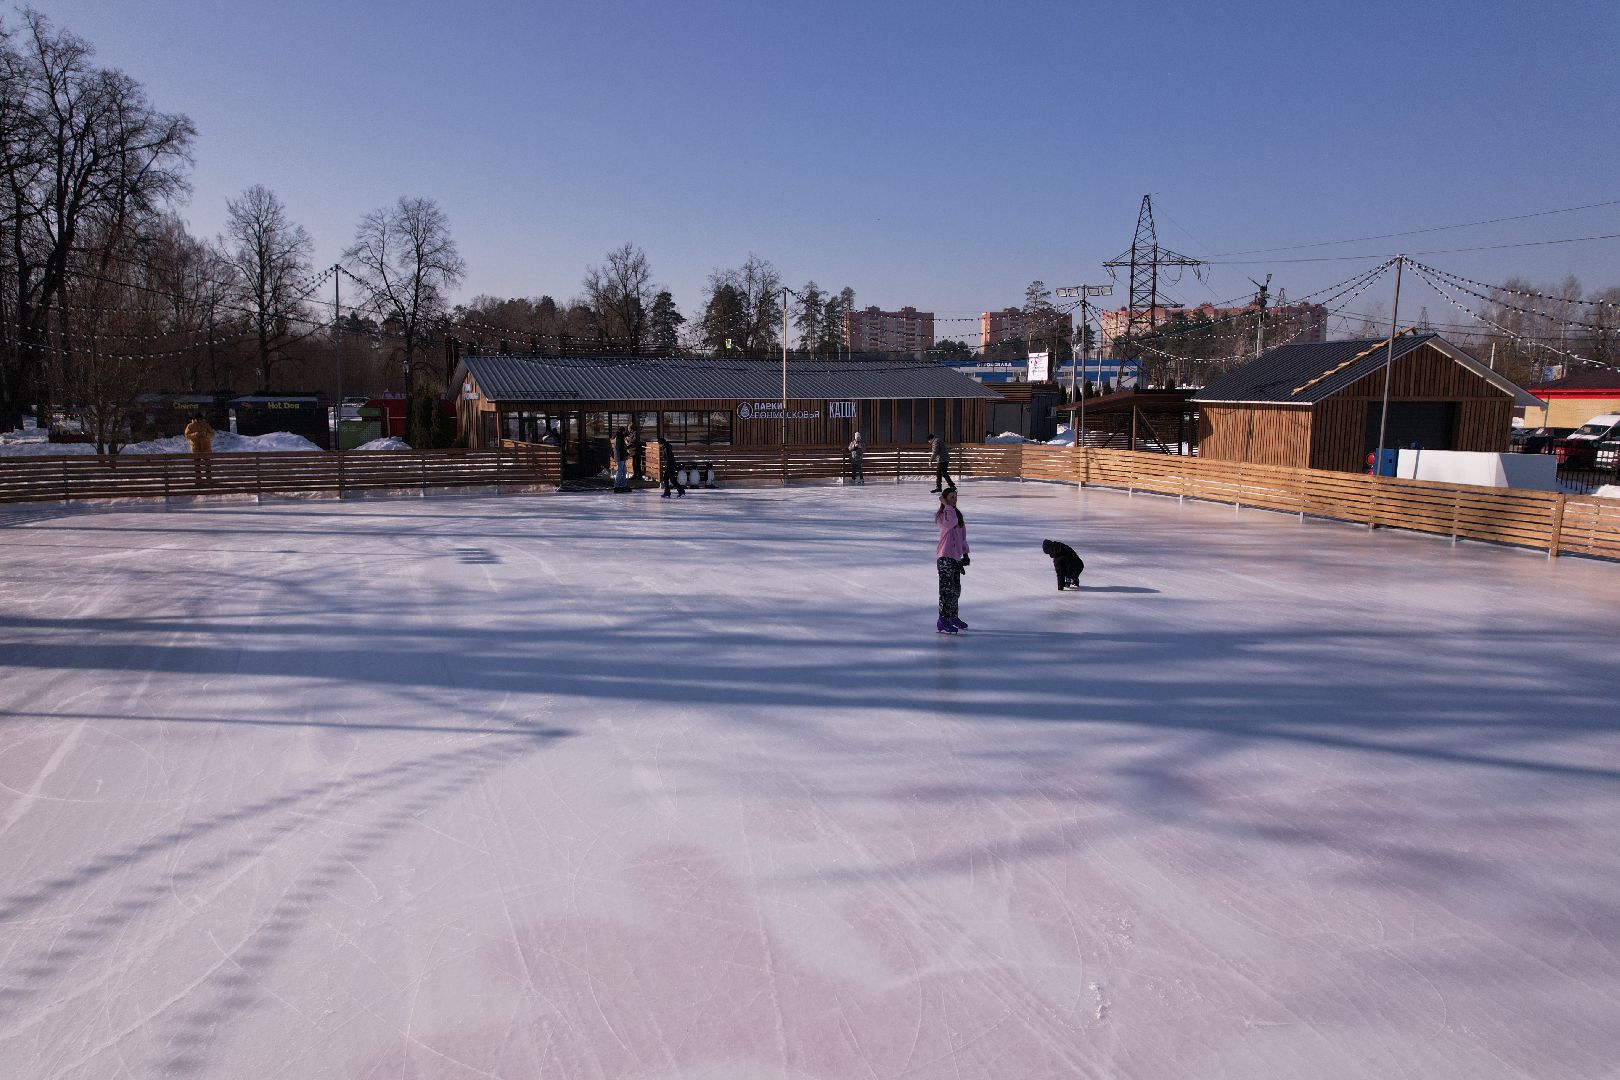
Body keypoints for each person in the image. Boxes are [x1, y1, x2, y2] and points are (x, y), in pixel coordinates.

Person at [934, 488, 969, 633]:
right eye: (951, 497)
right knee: (946, 591)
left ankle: (952, 617)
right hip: (944, 557)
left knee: (955, 590)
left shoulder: (957, 515)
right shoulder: (942, 516)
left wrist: (965, 554)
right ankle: (942, 619)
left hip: (955, 558)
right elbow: (949, 524)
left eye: (955, 497)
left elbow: (962, 537)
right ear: (945, 499)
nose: (954, 500)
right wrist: (947, 506)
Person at [183, 416, 215, 484]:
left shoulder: (206, 425)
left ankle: (209, 479)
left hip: (206, 447)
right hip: (196, 448)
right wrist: (195, 434)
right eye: (198, 419)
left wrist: (206, 434)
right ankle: (198, 480)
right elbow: (187, 435)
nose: (200, 420)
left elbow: (212, 433)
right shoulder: (190, 426)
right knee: (197, 465)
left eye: (201, 419)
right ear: (195, 419)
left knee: (207, 464)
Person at [612, 426, 630, 492]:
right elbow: (620, 448)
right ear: (622, 431)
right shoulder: (619, 438)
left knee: (624, 470)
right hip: (620, 456)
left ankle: (622, 484)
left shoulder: (619, 437)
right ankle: (617, 485)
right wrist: (627, 454)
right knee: (620, 471)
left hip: (621, 456)